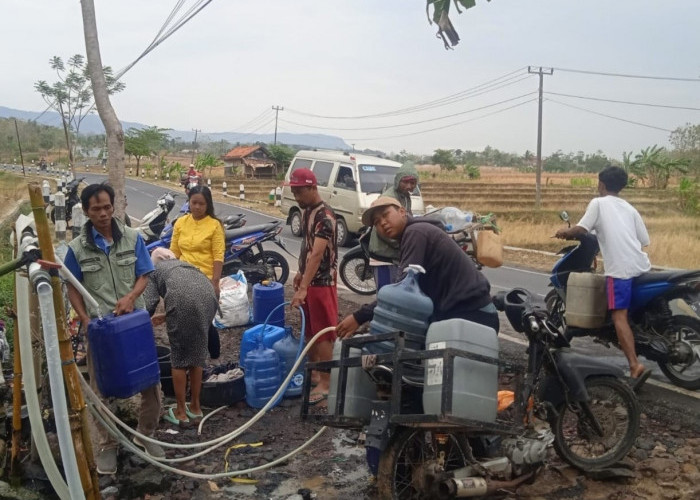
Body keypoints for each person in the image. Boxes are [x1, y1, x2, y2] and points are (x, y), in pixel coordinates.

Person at [64, 183, 164, 474]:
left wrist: (131, 297)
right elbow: (72, 286)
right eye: (97, 209)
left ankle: (146, 435)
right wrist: (85, 320)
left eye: (107, 207)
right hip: (102, 330)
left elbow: (145, 274)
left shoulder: (133, 238)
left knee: (151, 384)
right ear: (86, 212)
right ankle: (107, 445)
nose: (104, 214)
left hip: (134, 326)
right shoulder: (76, 249)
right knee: (100, 388)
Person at [337, 196, 498, 340]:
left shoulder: (416, 233)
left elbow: (402, 291)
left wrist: (359, 317)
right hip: (463, 314)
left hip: (471, 317)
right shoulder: (414, 233)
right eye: (377, 223)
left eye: (385, 215)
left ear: (402, 211)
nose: (383, 223)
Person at [555, 165, 652, 389]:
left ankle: (635, 365)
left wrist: (565, 232)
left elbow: (581, 229)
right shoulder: (629, 208)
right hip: (641, 265)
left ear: (601, 184)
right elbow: (643, 240)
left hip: (620, 270)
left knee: (619, 316)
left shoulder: (598, 203)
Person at [144, 248, 218, 425]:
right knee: (197, 352)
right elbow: (190, 294)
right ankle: (196, 407)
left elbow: (149, 303)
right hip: (209, 297)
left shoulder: (153, 271)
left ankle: (181, 412)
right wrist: (168, 315)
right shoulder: (184, 265)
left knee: (179, 357)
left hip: (182, 301)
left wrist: (137, 322)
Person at [287, 168, 338, 405]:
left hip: (322, 284)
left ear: (313, 187)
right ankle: (316, 373)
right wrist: (299, 273)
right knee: (310, 331)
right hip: (309, 281)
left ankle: (327, 384)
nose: (297, 196)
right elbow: (306, 247)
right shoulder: (308, 212)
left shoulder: (325, 216)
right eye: (294, 191)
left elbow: (318, 254)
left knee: (324, 334)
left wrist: (304, 287)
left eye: (300, 191)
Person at [169, 185, 225, 359]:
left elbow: (218, 256)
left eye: (202, 203)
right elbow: (174, 252)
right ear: (189, 203)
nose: (198, 207)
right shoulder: (180, 222)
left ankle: (214, 355)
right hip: (182, 278)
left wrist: (215, 283)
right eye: (194, 203)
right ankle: (189, 355)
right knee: (183, 319)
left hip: (204, 279)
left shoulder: (214, 225)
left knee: (203, 320)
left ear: (208, 204)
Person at [368, 162, 420, 289]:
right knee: (385, 296)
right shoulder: (388, 198)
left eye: (412, 183)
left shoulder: (405, 197)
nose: (409, 186)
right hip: (383, 257)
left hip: (395, 256)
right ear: (397, 181)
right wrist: (403, 244)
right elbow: (383, 228)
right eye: (405, 182)